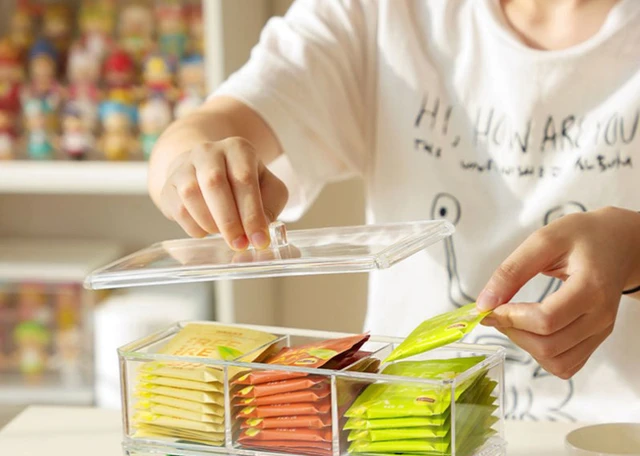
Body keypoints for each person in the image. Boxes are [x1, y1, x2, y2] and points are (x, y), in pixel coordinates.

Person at [148, 0, 640, 422]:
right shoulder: (381, 12)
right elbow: (200, 132)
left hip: (618, 449)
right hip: (402, 446)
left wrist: (633, 253)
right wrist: (194, 165)